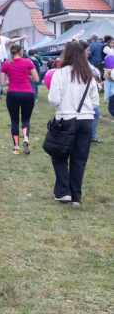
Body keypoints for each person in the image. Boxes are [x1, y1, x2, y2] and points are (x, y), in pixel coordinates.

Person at [47, 42, 99, 206]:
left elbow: (54, 99)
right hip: (86, 120)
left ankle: (63, 192)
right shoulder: (88, 75)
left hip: (65, 119)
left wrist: (62, 104)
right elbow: (95, 103)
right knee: (79, 159)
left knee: (59, 155)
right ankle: (76, 197)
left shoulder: (60, 74)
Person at [0, 45, 40, 154]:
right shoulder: (28, 62)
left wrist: (11, 81)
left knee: (14, 121)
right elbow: (36, 79)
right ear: (21, 52)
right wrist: (27, 77)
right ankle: (26, 137)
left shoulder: (6, 64)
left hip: (12, 93)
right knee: (26, 120)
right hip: (28, 93)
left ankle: (16, 147)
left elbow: (2, 83)